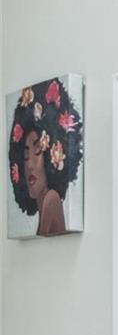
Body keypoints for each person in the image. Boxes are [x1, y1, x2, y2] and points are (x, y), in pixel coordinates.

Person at [9, 78, 84, 238]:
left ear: (51, 155)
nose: (29, 165)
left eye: (37, 151)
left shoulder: (51, 199)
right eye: (25, 155)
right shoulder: (45, 203)